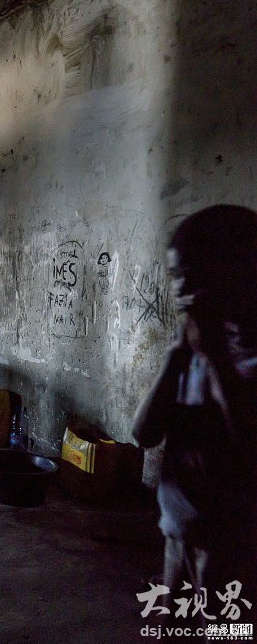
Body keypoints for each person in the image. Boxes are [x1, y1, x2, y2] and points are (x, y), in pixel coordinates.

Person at [133, 205, 256, 626]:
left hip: (234, 555)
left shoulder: (235, 355)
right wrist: (176, 354)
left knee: (225, 635)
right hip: (177, 538)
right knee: (167, 629)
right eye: (176, 276)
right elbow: (144, 432)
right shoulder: (194, 347)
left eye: (194, 275)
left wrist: (215, 355)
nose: (182, 289)